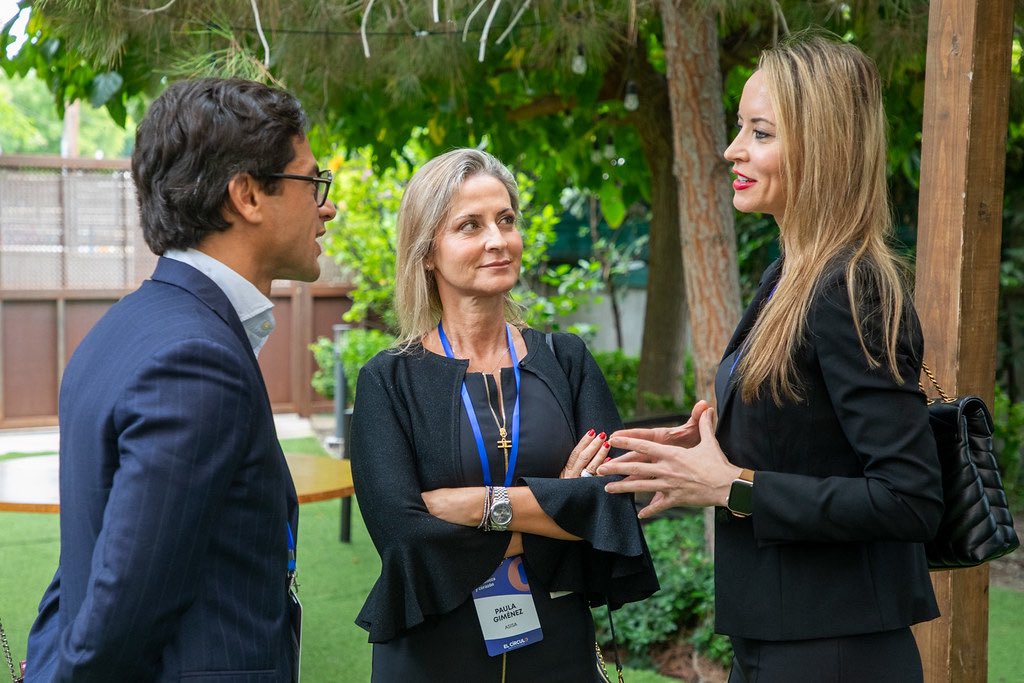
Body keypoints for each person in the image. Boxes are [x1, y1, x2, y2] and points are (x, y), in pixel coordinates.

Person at [598, 35, 944, 682]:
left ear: (821, 146)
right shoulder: (790, 275)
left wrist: (731, 487)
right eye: (739, 128)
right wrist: (702, 446)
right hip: (777, 639)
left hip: (835, 649)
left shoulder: (848, 286)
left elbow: (909, 497)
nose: (733, 150)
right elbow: (807, 436)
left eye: (760, 133)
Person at [25, 77, 337, 682]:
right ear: (247, 195)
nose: (326, 205)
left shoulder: (124, 326)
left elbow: (84, 565)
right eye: (311, 181)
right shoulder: (197, 360)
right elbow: (120, 610)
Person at [350, 148, 658, 681]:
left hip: (557, 643)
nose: (497, 240)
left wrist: (479, 506)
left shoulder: (567, 361)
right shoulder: (388, 380)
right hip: (432, 652)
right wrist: (561, 504)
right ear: (427, 253)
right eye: (470, 226)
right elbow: (406, 539)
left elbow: (616, 507)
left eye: (506, 220)